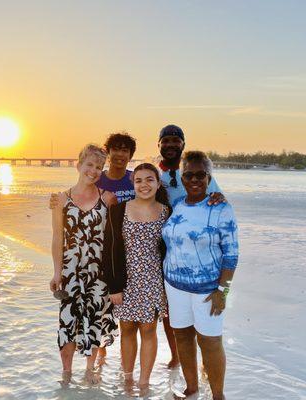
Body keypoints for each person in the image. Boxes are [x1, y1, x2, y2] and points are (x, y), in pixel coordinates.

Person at [162, 151, 239, 400]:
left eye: (200, 175)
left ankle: (218, 396)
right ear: (182, 178)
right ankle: (191, 389)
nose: (194, 179)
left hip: (208, 290)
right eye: (189, 175)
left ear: (209, 177)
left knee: (210, 341)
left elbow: (231, 255)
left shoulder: (221, 208)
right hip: (174, 286)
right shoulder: (177, 205)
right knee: (182, 337)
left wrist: (222, 291)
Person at [157, 124, 226, 369]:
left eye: (176, 140)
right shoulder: (158, 176)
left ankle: (206, 362)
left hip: (200, 254)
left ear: (183, 144)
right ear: (159, 146)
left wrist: (219, 198)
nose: (171, 145)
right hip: (168, 250)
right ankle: (177, 356)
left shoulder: (195, 171)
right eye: (166, 141)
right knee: (171, 311)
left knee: (204, 317)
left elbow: (218, 202)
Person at [50, 144, 118, 384]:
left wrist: (114, 278)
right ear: (78, 165)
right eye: (89, 164)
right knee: (67, 321)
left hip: (98, 274)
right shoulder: (60, 199)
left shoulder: (107, 199)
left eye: (99, 167)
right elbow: (58, 238)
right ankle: (67, 373)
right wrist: (57, 273)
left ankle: (89, 371)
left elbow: (112, 242)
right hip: (70, 272)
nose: (94, 170)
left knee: (94, 320)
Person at [102, 163, 171, 394]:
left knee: (149, 330)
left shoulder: (166, 212)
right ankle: (128, 378)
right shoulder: (119, 210)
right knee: (128, 329)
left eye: (150, 180)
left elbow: (170, 250)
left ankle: (144, 381)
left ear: (158, 183)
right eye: (139, 180)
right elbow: (109, 249)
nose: (144, 185)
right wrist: (114, 286)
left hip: (153, 281)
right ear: (133, 184)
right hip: (125, 281)